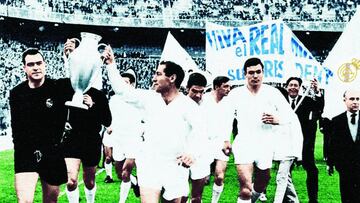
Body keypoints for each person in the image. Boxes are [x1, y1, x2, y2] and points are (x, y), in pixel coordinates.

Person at [104, 45, 203, 203]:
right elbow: (123, 91)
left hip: (176, 166)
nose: (153, 78)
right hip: (150, 162)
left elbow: (201, 132)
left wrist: (192, 153)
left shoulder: (188, 106)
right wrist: (111, 65)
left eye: (158, 74)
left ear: (172, 78)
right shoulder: (149, 99)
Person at [223, 57, 300, 203]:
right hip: (244, 143)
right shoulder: (236, 94)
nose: (255, 75)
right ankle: (245, 198)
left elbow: (290, 115)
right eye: (251, 72)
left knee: (263, 181)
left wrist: (278, 120)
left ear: (263, 72)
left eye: (258, 72)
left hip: (265, 144)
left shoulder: (273, 92)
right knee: (245, 188)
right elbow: (226, 119)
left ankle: (250, 199)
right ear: (244, 74)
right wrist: (226, 139)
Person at [9, 48, 70, 203]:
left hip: (52, 151)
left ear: (45, 65)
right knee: (24, 201)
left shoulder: (58, 88)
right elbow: (17, 128)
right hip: (26, 152)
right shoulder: (17, 93)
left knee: (50, 201)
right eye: (31, 64)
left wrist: (70, 58)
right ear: (24, 68)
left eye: (39, 63)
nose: (35, 67)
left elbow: (79, 82)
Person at [63, 39, 112, 203]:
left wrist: (93, 106)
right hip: (71, 140)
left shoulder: (98, 94)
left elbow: (107, 120)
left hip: (91, 141)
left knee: (90, 181)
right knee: (71, 181)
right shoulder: (67, 87)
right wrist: (68, 57)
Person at [282, 77, 324, 203]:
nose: (293, 87)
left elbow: (320, 106)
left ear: (300, 88)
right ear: (286, 87)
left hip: (304, 143)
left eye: (296, 85)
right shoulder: (281, 101)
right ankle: (286, 198)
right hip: (286, 143)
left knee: (312, 170)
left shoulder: (306, 100)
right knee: (285, 172)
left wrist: (317, 90)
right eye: (291, 85)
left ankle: (313, 199)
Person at [107, 69, 142, 203]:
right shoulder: (114, 99)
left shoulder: (137, 98)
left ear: (132, 85)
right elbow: (110, 117)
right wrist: (109, 126)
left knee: (125, 171)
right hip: (118, 139)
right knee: (119, 173)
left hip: (133, 139)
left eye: (126, 82)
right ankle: (134, 182)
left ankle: (121, 201)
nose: (123, 85)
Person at [327, 89, 360, 203]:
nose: (355, 102)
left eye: (357, 99)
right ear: (344, 100)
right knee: (346, 195)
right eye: (352, 99)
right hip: (345, 166)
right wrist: (330, 163)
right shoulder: (337, 121)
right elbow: (333, 144)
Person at [182, 72, 210, 203]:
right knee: (180, 196)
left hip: (201, 156)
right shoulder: (180, 104)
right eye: (194, 91)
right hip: (182, 156)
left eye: (201, 92)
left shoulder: (207, 106)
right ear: (187, 88)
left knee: (197, 197)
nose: (198, 95)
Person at [203, 76, 231, 203]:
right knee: (201, 178)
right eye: (225, 86)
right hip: (204, 141)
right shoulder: (204, 99)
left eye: (229, 86)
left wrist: (226, 140)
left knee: (219, 176)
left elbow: (229, 124)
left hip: (221, 142)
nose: (228, 89)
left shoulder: (229, 103)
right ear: (216, 87)